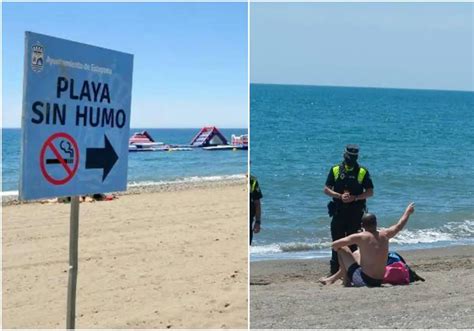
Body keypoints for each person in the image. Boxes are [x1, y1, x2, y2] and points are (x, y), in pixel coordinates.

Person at [319, 202, 415, 287]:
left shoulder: (361, 236)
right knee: (357, 253)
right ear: (376, 223)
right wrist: (408, 212)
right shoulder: (385, 234)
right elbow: (399, 225)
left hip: (364, 280)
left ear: (362, 225)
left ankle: (346, 281)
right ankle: (333, 279)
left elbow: (335, 244)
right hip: (379, 281)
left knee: (342, 248)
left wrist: (336, 248)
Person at [324, 144, 374, 275]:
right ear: (344, 155)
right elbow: (326, 189)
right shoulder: (335, 169)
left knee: (353, 243)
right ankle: (334, 270)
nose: (350, 159)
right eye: (348, 156)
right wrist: (339, 196)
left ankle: (352, 271)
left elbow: (370, 192)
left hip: (355, 213)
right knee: (337, 242)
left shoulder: (362, 171)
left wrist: (355, 197)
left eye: (353, 157)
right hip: (339, 211)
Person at [250, 175, 263, 245]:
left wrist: (257, 222)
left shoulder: (253, 181)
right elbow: (257, 204)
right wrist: (258, 222)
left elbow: (257, 203)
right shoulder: (252, 180)